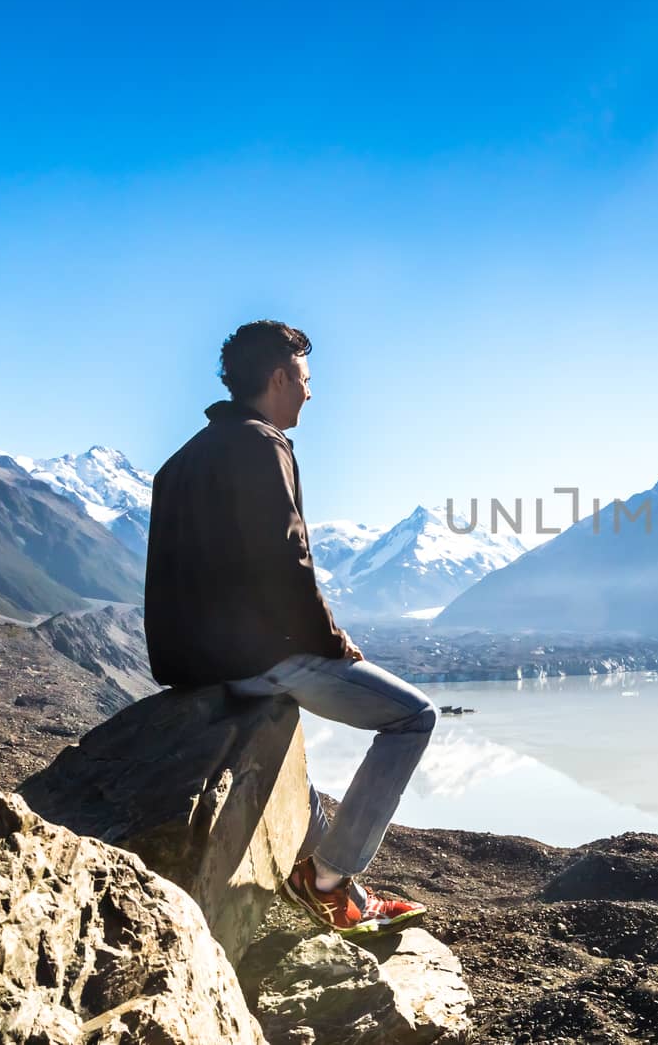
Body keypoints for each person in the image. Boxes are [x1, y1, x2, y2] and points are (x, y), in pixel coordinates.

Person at [144, 319, 437, 936]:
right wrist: (331, 643)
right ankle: (327, 880)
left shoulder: (180, 461)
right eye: (304, 380)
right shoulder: (263, 443)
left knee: (287, 734)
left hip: (187, 663)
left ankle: (331, 882)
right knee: (413, 718)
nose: (310, 393)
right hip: (254, 656)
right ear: (278, 377)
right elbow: (288, 558)